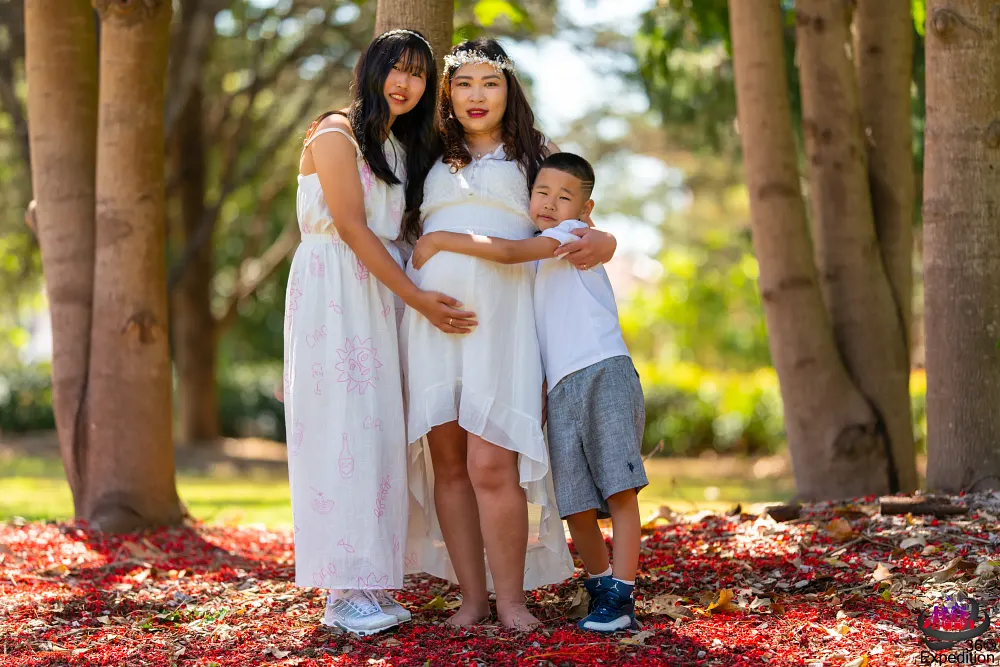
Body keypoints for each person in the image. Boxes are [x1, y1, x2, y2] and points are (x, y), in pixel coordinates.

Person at [401, 39, 619, 630]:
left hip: (506, 325)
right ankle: (473, 600)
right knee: (449, 465)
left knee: (491, 465)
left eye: (490, 83)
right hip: (431, 322)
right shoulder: (425, 153)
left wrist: (605, 241)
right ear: (448, 92)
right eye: (464, 83)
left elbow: (575, 220)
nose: (476, 96)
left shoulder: (534, 156)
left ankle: (513, 600)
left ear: (509, 89)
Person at [282, 28, 477, 637]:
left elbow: (401, 233)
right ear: (372, 70)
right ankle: (341, 591)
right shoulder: (335, 132)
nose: (405, 83)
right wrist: (417, 298)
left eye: (418, 74)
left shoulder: (398, 149)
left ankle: (368, 581)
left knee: (377, 433)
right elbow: (350, 227)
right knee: (341, 427)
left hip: (381, 294)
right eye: (396, 68)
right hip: (335, 292)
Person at [412, 152, 647, 633]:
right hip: (560, 383)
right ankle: (600, 585)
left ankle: (622, 595)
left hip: (601, 370)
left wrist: (438, 239)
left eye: (564, 197)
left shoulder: (567, 236)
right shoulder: (543, 253)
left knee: (619, 490)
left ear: (584, 210)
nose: (550, 204)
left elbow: (505, 253)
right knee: (574, 500)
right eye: (541, 193)